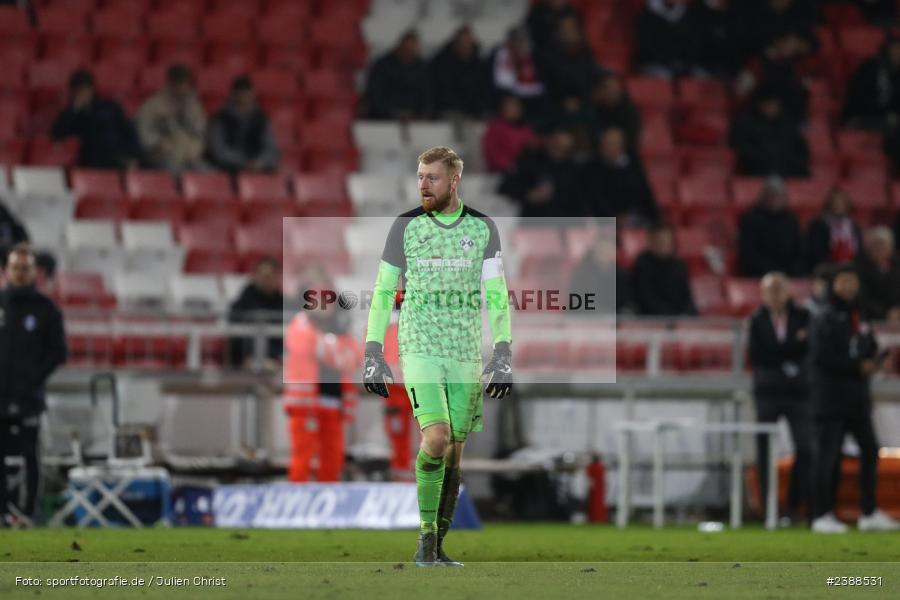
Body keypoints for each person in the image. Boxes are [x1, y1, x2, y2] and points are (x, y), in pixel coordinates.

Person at [362, 146, 512, 566]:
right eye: (420, 176)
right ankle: (425, 540)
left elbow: (497, 294)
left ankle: (439, 543)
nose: (423, 184)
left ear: (454, 180)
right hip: (420, 347)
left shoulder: (482, 228)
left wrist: (503, 350)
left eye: (433, 177)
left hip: (464, 353)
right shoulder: (406, 226)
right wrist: (373, 348)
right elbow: (381, 291)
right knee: (437, 438)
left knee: (456, 453)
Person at [809, 263, 900, 533]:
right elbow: (821, 357)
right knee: (828, 457)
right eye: (843, 282)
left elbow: (868, 344)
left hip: (857, 398)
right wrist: (857, 367)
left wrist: (876, 358)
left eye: (852, 281)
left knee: (871, 450)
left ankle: (869, 512)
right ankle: (821, 514)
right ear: (833, 286)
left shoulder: (859, 315)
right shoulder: (823, 316)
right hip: (830, 398)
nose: (848, 287)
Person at [0, 244, 67, 526]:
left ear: (35, 272)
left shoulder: (46, 309)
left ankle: (27, 513)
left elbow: (58, 353)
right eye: (15, 267)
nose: (20, 273)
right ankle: (3, 512)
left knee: (30, 456)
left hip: (28, 398)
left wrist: (31, 380)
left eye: (25, 268)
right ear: (6, 270)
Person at [747, 272, 813, 523]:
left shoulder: (804, 317)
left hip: (798, 393)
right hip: (768, 393)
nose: (774, 296)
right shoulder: (756, 320)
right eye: (769, 291)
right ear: (763, 295)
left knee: (806, 448)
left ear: (788, 292)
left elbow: (809, 351)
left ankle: (795, 504)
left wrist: (781, 355)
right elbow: (757, 356)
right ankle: (769, 509)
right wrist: (790, 353)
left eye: (778, 290)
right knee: (764, 452)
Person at [283, 281, 360, 482]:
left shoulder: (340, 331)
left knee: (333, 457)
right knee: (303, 456)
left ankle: (328, 500)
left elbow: (354, 358)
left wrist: (335, 347)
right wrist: (335, 348)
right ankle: (296, 503)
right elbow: (316, 348)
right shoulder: (300, 325)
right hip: (306, 404)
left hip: (333, 403)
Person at [51, 69, 142, 169]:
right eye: (80, 90)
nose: (84, 94)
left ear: (92, 89)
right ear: (74, 92)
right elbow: (58, 133)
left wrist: (133, 155)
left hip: (118, 158)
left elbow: (128, 131)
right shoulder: (73, 114)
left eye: (87, 89)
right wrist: (74, 110)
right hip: (93, 163)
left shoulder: (109, 107)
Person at [498, 128, 583, 221]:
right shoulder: (531, 160)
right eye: (557, 145)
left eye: (565, 149)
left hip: (561, 224)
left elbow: (578, 201)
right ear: (549, 141)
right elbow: (506, 186)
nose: (559, 151)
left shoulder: (573, 169)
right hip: (532, 220)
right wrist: (528, 194)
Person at [136, 63, 206, 172]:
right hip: (161, 157)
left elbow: (200, 132)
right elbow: (145, 133)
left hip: (190, 158)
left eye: (184, 82)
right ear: (170, 82)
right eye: (177, 82)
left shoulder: (194, 106)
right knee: (177, 172)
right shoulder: (152, 105)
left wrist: (194, 151)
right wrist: (160, 146)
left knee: (211, 176)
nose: (181, 87)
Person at [580, 127, 658, 224]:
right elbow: (594, 198)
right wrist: (614, 218)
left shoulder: (634, 166)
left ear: (621, 146)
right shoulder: (591, 168)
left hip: (634, 217)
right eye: (603, 143)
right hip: (604, 220)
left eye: (610, 144)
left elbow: (644, 194)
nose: (604, 147)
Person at [729, 87, 810, 178]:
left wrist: (791, 161)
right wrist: (767, 158)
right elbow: (742, 148)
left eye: (775, 104)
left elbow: (801, 148)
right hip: (757, 171)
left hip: (788, 170)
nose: (772, 107)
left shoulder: (787, 123)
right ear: (760, 105)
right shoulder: (745, 123)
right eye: (769, 104)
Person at [206, 76, 279, 173]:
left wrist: (258, 162)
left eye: (247, 92)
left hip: (258, 168)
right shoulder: (220, 118)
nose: (244, 96)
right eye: (241, 92)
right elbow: (219, 150)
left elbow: (270, 147)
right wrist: (243, 162)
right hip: (228, 168)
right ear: (233, 94)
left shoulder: (261, 118)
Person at [738, 177, 805, 277]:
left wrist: (792, 270)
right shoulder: (751, 219)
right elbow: (748, 253)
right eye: (772, 194)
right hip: (759, 275)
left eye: (779, 195)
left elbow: (800, 252)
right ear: (764, 196)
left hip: (790, 275)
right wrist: (771, 271)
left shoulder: (792, 220)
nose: (775, 198)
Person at [227, 256, 284, 369]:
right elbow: (237, 341)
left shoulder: (283, 304)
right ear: (255, 275)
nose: (267, 279)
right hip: (246, 360)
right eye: (263, 275)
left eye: (271, 275)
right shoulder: (241, 305)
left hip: (278, 358)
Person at [631, 223, 697, 316]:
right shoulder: (642, 264)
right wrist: (670, 316)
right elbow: (646, 298)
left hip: (678, 319)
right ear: (651, 241)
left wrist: (686, 314)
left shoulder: (679, 265)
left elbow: (687, 296)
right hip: (652, 320)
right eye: (661, 241)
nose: (664, 245)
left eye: (667, 241)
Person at [364, 30, 431, 120]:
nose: (408, 51)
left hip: (415, 116)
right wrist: (393, 113)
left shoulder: (422, 68)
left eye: (412, 47)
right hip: (385, 117)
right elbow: (376, 95)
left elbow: (428, 95)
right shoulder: (383, 66)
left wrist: (420, 113)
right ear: (400, 45)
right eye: (406, 47)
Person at [536, 15, 603, 105]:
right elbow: (549, 83)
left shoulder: (585, 50)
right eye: (565, 29)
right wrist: (564, 99)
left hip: (584, 99)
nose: (569, 32)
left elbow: (592, 74)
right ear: (558, 32)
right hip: (558, 102)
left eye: (572, 28)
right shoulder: (549, 54)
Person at [842, 33, 900, 130]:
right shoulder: (869, 68)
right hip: (861, 116)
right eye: (896, 49)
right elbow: (859, 98)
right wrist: (886, 115)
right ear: (887, 50)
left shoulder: (897, 74)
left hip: (884, 117)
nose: (898, 54)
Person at [430, 26, 488, 119]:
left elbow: (482, 90)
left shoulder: (479, 64)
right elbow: (442, 90)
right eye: (461, 42)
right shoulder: (442, 63)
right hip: (448, 110)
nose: (465, 46)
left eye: (467, 42)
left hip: (473, 112)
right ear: (455, 43)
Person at [636, 0, 704, 78]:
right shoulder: (648, 14)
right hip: (653, 63)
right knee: (665, 76)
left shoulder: (687, 13)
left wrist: (686, 62)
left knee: (701, 75)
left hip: (683, 63)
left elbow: (693, 43)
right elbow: (649, 47)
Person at [568, 234, 631, 314]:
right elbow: (580, 304)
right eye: (601, 250)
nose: (604, 254)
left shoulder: (621, 275)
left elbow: (625, 303)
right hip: (585, 320)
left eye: (608, 250)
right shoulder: (582, 274)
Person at [489, 27, 545, 115]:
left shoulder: (536, 58)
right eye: (516, 41)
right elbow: (501, 85)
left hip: (531, 105)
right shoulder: (499, 56)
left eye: (523, 41)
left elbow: (538, 88)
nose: (519, 45)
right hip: (503, 102)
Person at [805, 187, 862, 272]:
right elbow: (816, 252)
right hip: (827, 267)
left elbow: (859, 251)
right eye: (835, 202)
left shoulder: (853, 226)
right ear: (829, 204)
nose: (838, 205)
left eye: (841, 202)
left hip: (850, 267)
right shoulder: (819, 225)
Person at [482, 95, 538, 174]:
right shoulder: (495, 128)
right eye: (510, 107)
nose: (514, 110)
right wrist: (508, 165)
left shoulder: (526, 128)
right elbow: (492, 152)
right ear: (502, 109)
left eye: (516, 107)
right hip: (503, 172)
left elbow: (534, 146)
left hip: (526, 169)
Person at [855, 226, 900, 322]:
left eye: (883, 245)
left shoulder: (897, 266)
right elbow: (863, 298)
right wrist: (885, 314)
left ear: (890, 248)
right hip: (871, 319)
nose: (879, 249)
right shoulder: (861, 268)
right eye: (875, 246)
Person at [588, 74, 641, 151]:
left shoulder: (630, 111)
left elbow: (632, 138)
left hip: (623, 150)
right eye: (608, 88)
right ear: (602, 90)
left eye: (614, 89)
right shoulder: (595, 108)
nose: (611, 92)